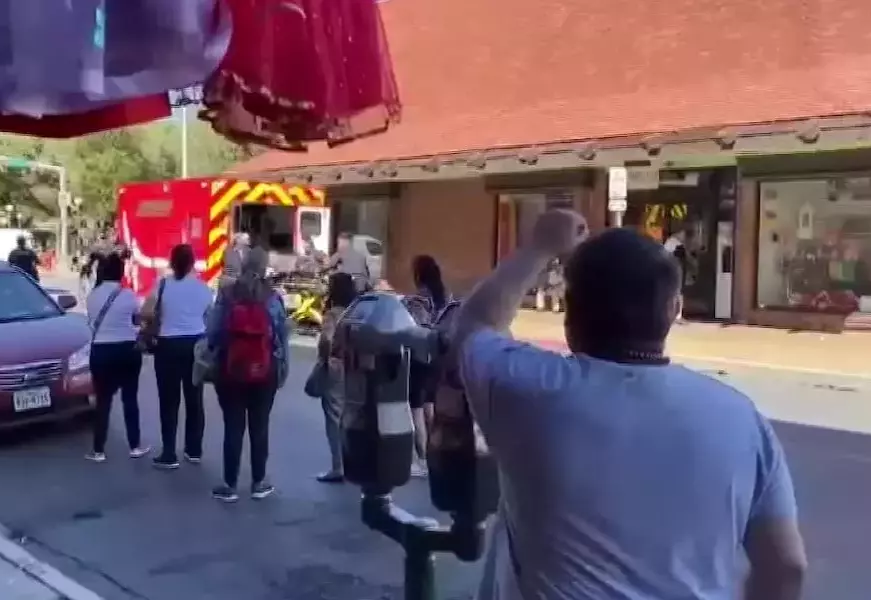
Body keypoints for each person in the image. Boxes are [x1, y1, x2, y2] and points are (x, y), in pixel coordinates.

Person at [444, 211, 805, 600]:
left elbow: (475, 326)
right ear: (674, 309)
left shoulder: (528, 389)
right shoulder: (741, 419)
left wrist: (540, 247)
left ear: (570, 311)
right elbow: (786, 567)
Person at [206, 249, 289, 501]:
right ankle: (258, 482)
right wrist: (282, 367)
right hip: (265, 371)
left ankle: (229, 484)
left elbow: (214, 332)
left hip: (232, 369)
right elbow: (281, 338)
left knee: (233, 426)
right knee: (259, 426)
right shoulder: (273, 298)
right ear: (265, 268)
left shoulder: (227, 294)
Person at [143, 244, 213, 470]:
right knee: (195, 400)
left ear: (172, 262)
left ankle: (169, 453)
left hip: (167, 347)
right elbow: (209, 318)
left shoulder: (162, 285)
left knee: (169, 402)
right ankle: (193, 450)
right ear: (193, 263)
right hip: (195, 347)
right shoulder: (203, 289)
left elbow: (146, 312)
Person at [85, 253, 149, 462]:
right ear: (121, 273)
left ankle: (98, 450)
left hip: (101, 351)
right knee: (130, 399)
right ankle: (135, 446)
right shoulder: (129, 295)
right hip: (127, 351)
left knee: (103, 401)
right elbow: (137, 320)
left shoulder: (92, 296)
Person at [401, 255, 452, 478]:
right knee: (431, 408)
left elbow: (414, 329)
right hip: (439, 358)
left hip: (420, 359)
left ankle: (423, 461)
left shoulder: (417, 300)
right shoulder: (446, 298)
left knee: (416, 409)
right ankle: (438, 455)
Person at [315, 272, 356, 483]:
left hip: (337, 366)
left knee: (334, 417)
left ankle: (338, 466)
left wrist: (324, 359)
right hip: (356, 367)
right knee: (352, 416)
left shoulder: (333, 314)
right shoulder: (357, 312)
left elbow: (326, 341)